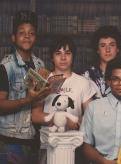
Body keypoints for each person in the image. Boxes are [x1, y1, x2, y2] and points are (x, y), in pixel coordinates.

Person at [32, 35, 96, 164]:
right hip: (49, 143)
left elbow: (91, 116)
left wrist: (76, 122)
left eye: (67, 53)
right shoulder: (43, 81)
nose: (63, 58)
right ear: (52, 57)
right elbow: (35, 116)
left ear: (73, 57)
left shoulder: (83, 82)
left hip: (75, 144)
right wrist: (60, 119)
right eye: (58, 53)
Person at [0, 10, 51, 164]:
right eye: (22, 33)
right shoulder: (5, 67)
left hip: (33, 138)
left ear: (35, 37)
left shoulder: (40, 65)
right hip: (10, 140)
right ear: (14, 38)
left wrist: (46, 90)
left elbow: (38, 103)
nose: (27, 36)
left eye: (31, 33)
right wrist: (28, 99)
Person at [83, 25, 121, 99]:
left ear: (118, 48)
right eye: (103, 45)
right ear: (97, 50)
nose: (107, 50)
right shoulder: (86, 76)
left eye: (112, 45)